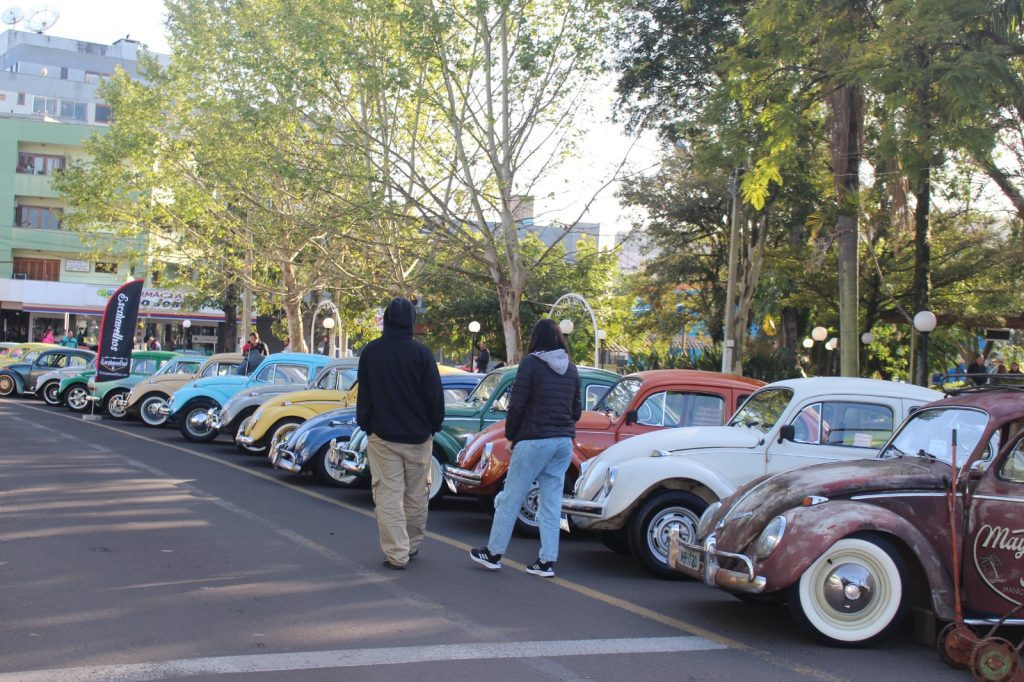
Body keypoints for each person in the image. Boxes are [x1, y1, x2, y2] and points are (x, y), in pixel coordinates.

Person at [470, 318, 581, 578]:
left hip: (534, 439)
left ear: (536, 339)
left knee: (511, 497)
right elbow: (576, 410)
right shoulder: (572, 368)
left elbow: (517, 403)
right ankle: (546, 562)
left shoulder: (531, 364)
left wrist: (511, 435)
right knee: (552, 503)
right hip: (563, 442)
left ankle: (493, 553)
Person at [356, 297, 444, 570]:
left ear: (386, 320)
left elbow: (365, 394)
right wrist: (433, 426)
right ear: (411, 323)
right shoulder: (422, 355)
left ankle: (397, 553)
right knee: (417, 494)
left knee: (388, 495)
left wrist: (366, 423)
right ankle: (413, 544)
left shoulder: (372, 351)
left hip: (383, 437)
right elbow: (434, 397)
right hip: (418, 437)